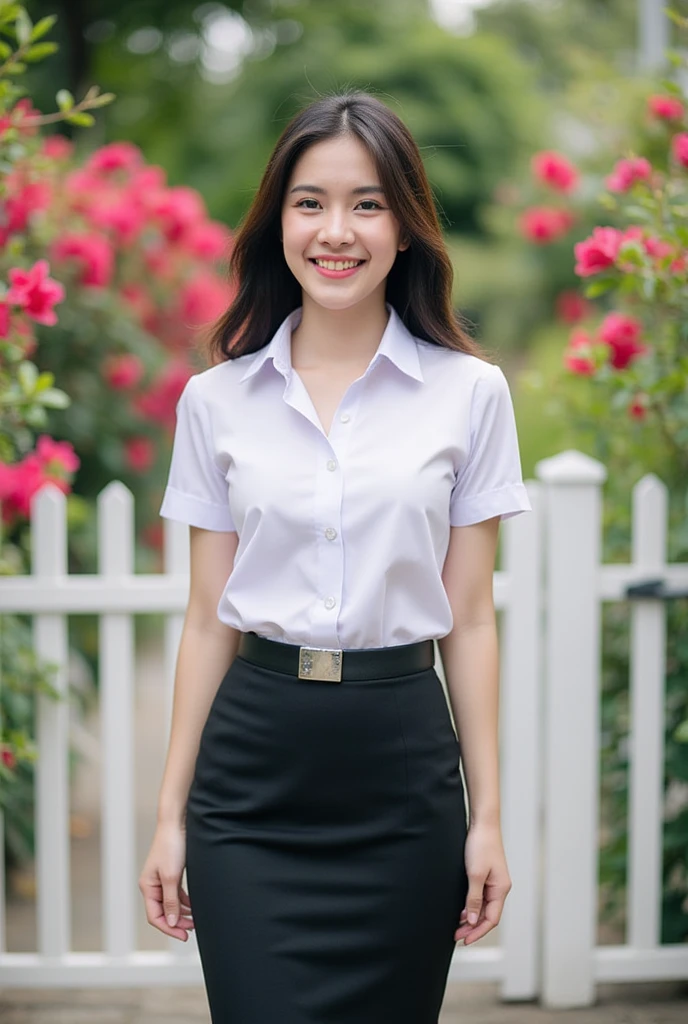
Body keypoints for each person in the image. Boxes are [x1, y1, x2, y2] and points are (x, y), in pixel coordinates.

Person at [139, 90, 532, 1024]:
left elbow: (471, 620)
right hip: (251, 782)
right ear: (278, 220)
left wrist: (488, 820)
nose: (336, 231)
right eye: (309, 202)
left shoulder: (472, 396)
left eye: (367, 203)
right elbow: (207, 620)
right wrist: (168, 817)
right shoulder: (216, 401)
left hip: (401, 771)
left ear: (406, 227)